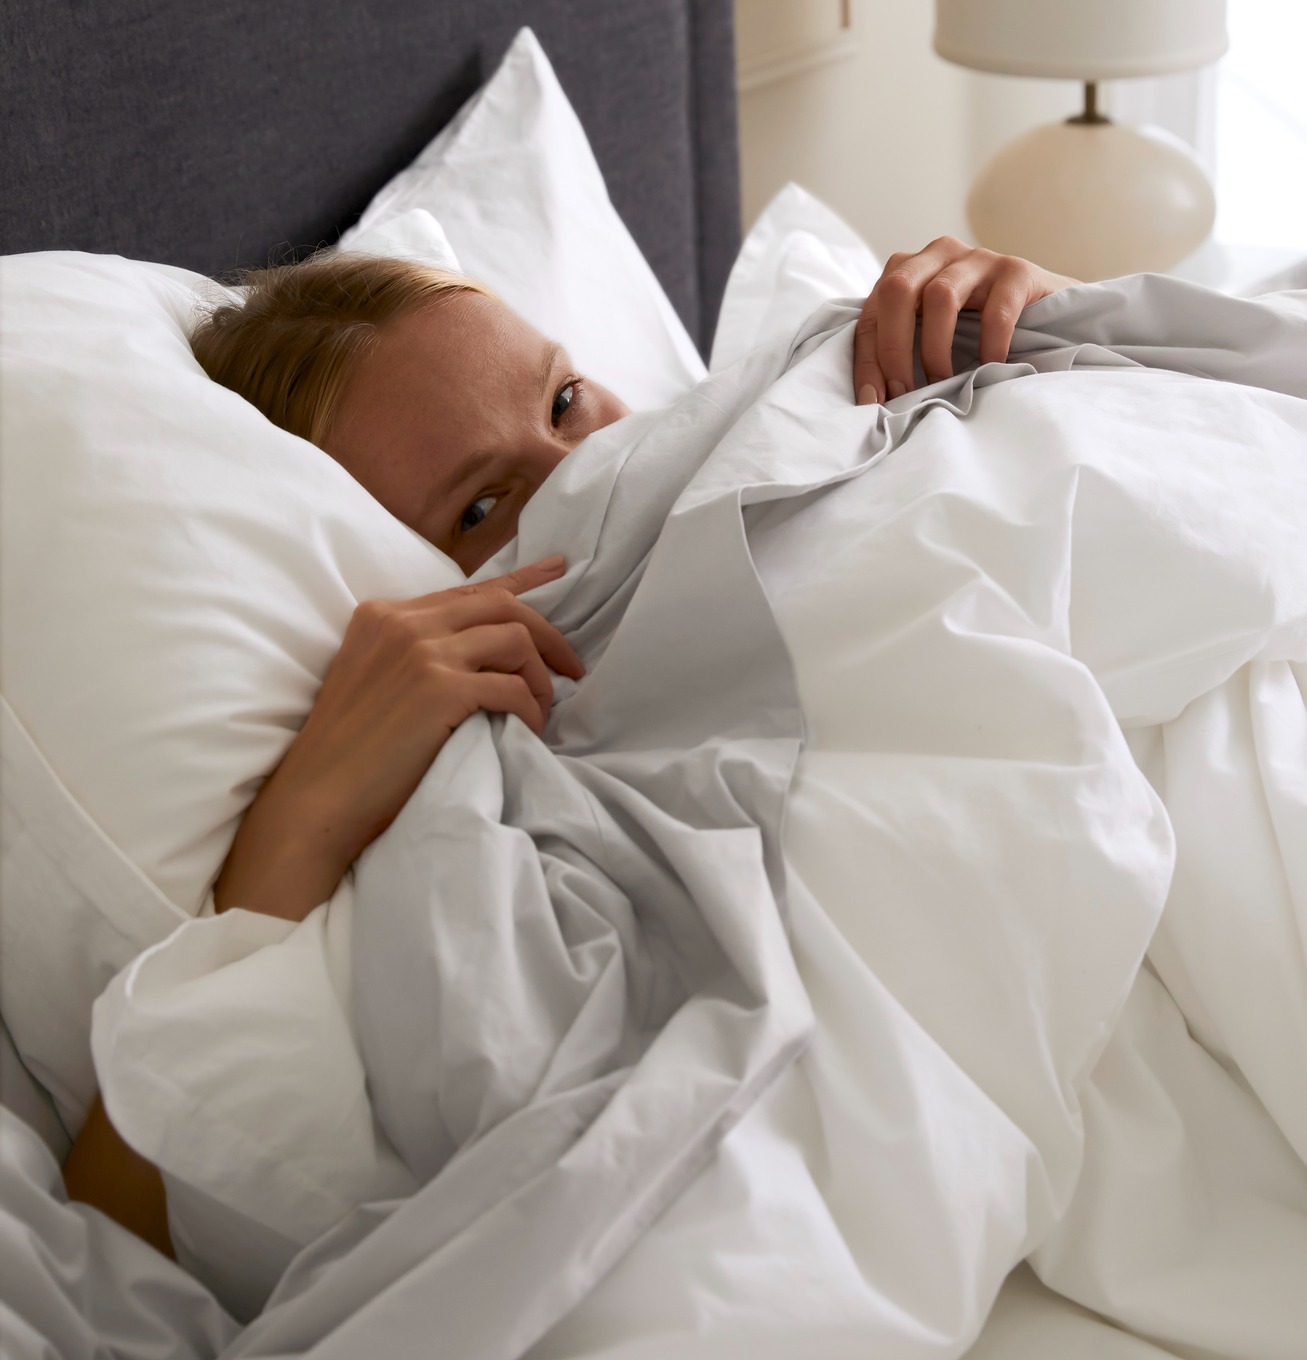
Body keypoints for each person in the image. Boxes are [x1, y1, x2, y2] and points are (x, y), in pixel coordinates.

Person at [62, 237, 1074, 1249]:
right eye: (480, 507)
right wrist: (303, 816)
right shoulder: (460, 812)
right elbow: (107, 1248)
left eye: (563, 402)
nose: (582, 467)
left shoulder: (815, 426)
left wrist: (1047, 321)